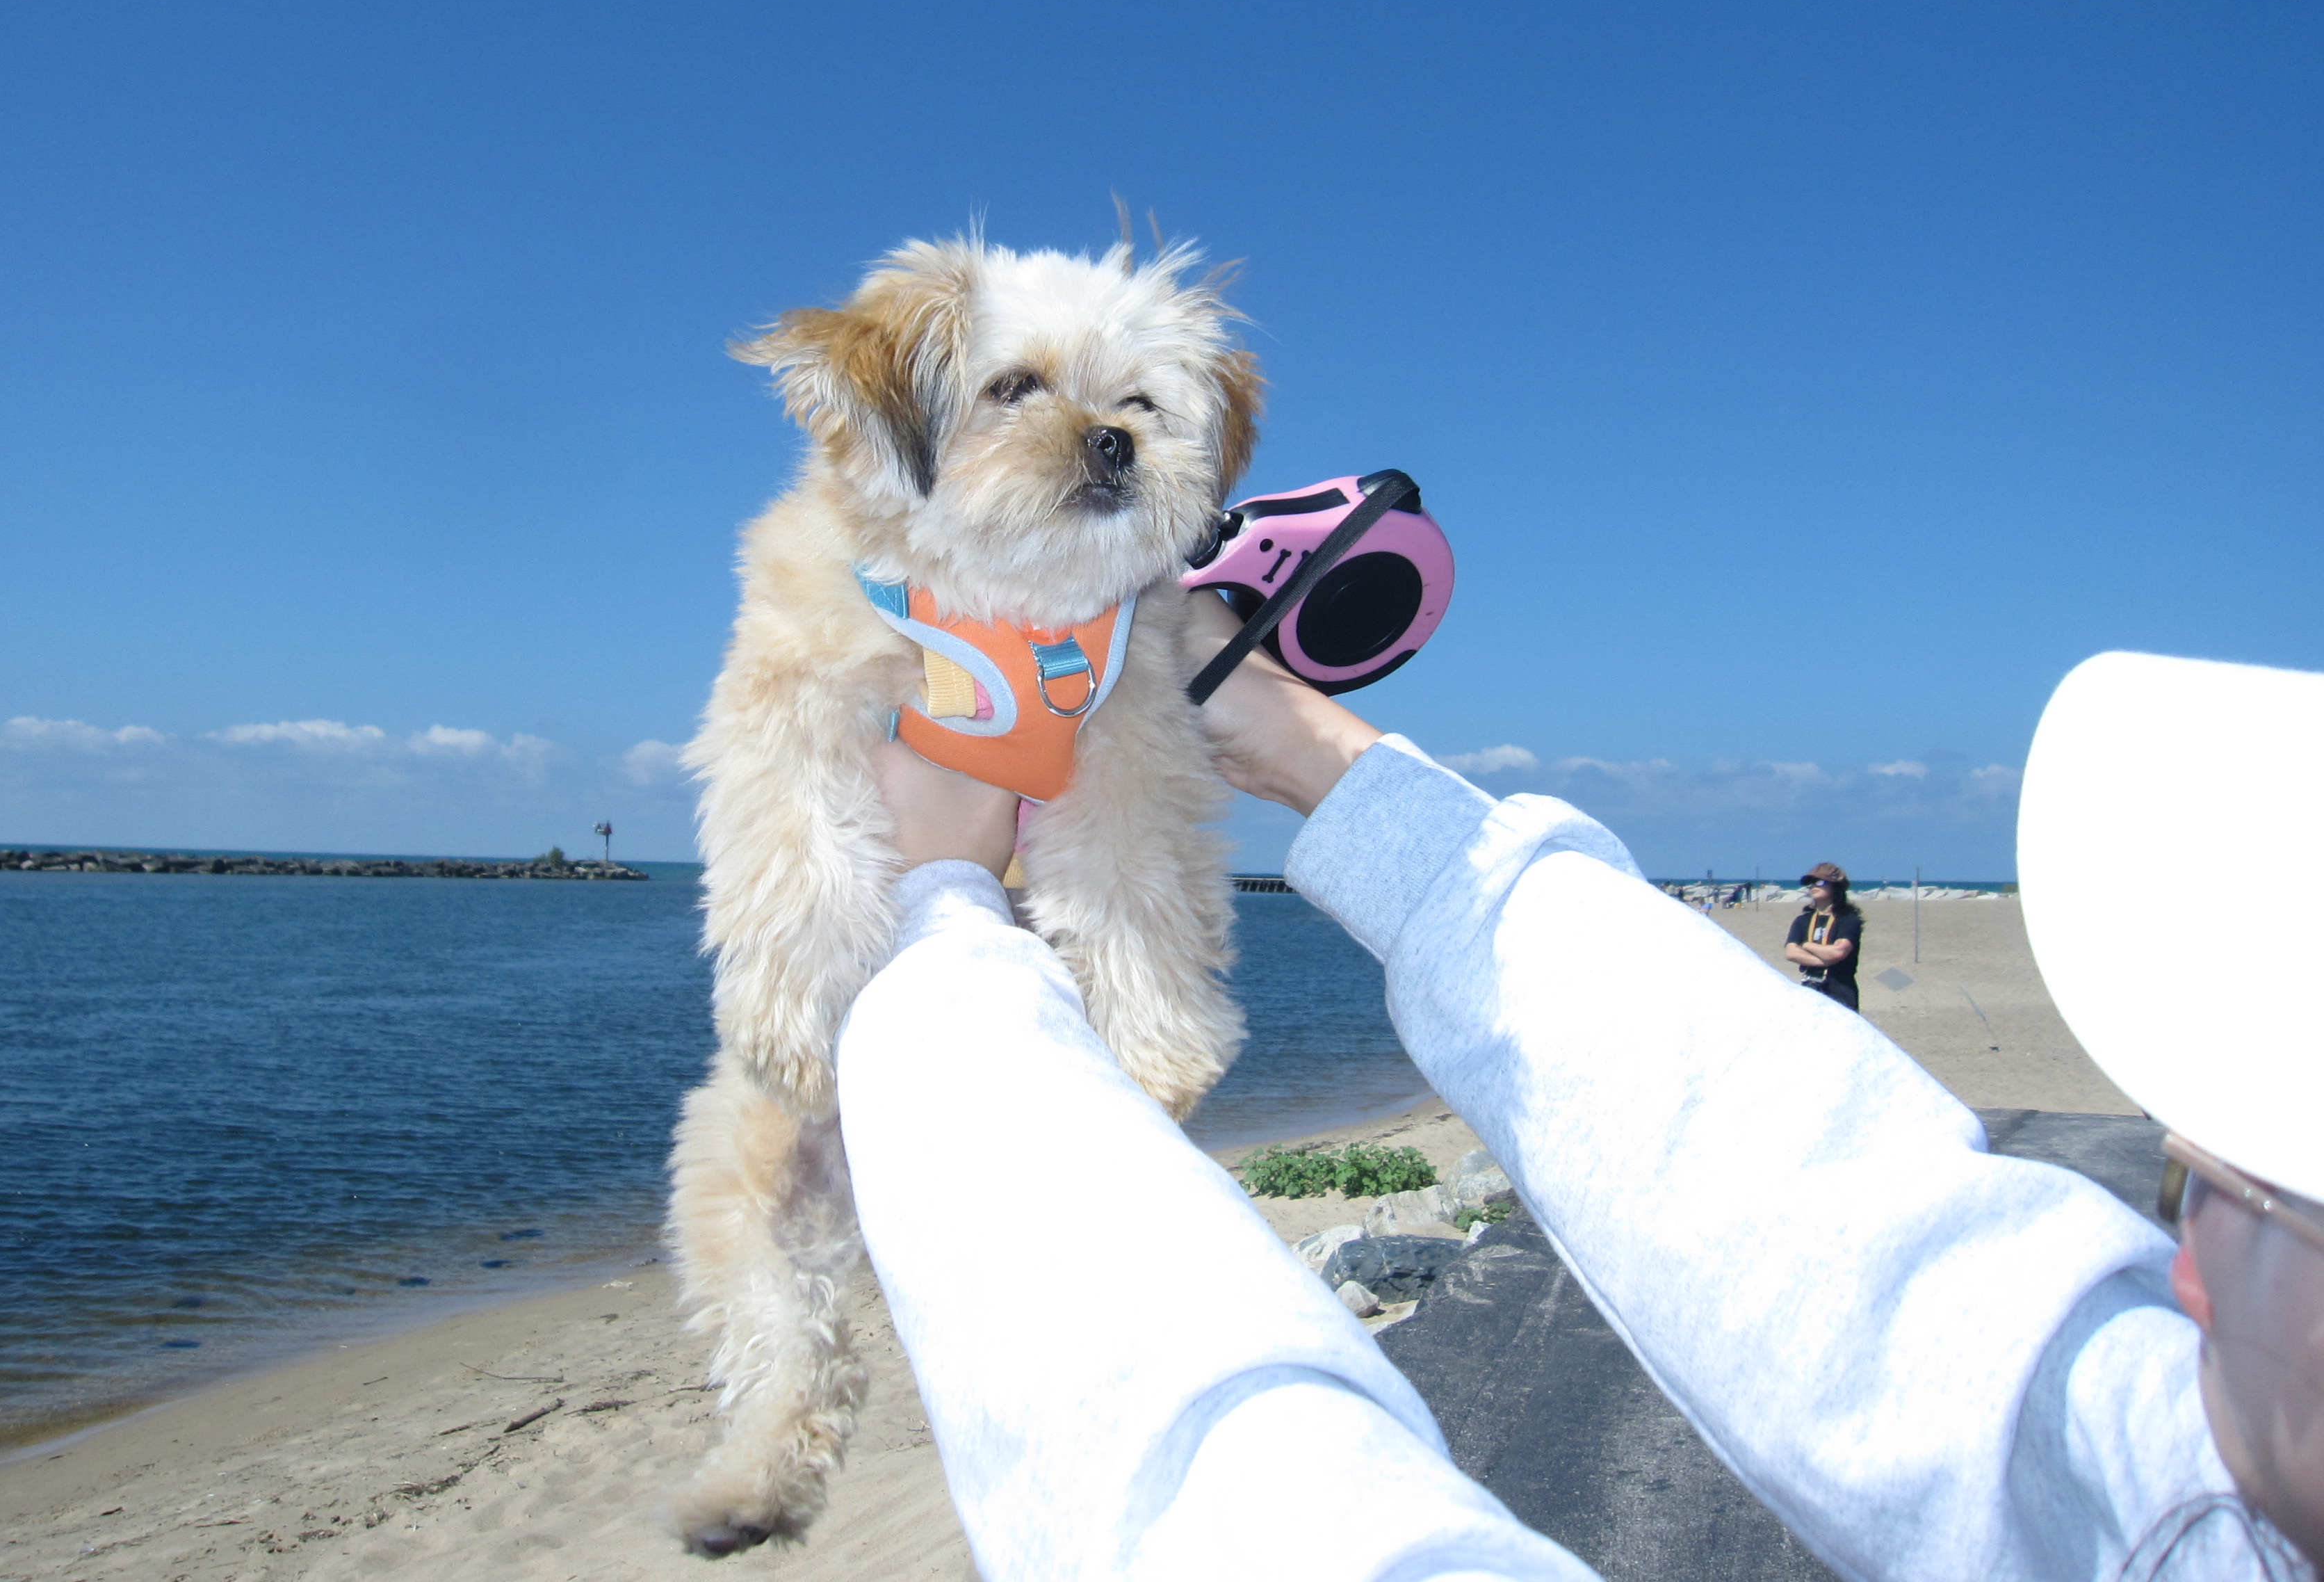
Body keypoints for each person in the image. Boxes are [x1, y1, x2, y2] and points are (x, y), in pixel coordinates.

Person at [836, 606, 2322, 1580]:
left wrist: (939, 923)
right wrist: (1318, 754)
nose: (2173, 1197)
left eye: (2252, 1180)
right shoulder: (2218, 1524)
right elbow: (1880, 1282)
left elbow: (1247, 1512)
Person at [1785, 860, 1864, 1008]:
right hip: (1810, 987)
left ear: (1836, 887)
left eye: (1820, 882)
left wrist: (1806, 945)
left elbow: (1838, 952)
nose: (1814, 886)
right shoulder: (1803, 920)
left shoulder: (1848, 919)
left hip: (1840, 990)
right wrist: (1825, 961)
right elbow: (1791, 953)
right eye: (1811, 883)